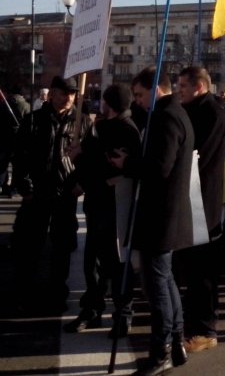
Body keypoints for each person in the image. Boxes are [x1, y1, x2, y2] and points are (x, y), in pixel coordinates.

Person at [130, 67, 196, 375]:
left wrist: (128, 163)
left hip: (161, 215)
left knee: (157, 286)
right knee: (166, 281)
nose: (139, 102)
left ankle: (161, 352)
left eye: (140, 95)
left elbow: (159, 168)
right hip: (168, 214)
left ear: (156, 89)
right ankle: (177, 343)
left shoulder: (166, 118)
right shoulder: (175, 113)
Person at [64, 83, 140, 339]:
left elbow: (110, 167)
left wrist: (84, 157)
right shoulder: (99, 127)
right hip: (97, 204)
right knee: (93, 263)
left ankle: (123, 315)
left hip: (116, 207)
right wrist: (79, 158)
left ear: (110, 104)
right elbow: (94, 163)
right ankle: (92, 310)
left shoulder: (128, 131)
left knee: (118, 264)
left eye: (105, 101)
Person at [11, 75, 92, 314]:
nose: (68, 97)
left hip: (65, 193)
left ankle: (57, 294)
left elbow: (91, 159)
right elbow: (20, 156)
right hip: (37, 193)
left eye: (72, 93)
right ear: (53, 94)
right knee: (30, 246)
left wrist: (81, 184)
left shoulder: (83, 123)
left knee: (62, 247)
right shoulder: (34, 120)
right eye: (63, 92)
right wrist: (25, 188)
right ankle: (26, 293)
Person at [175, 66, 225, 354]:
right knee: (192, 269)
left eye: (183, 85)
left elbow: (197, 155)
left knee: (203, 272)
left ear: (199, 86)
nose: (178, 89)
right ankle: (192, 323)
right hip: (190, 198)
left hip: (203, 201)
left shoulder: (212, 113)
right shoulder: (192, 109)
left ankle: (205, 330)